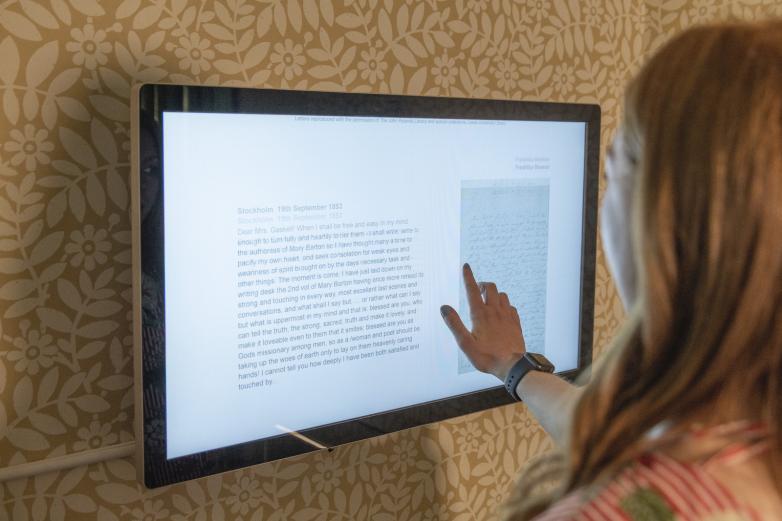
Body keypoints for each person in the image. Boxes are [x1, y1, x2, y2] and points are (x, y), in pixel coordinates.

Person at [440, 21, 782, 520]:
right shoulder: (746, 429)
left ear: (660, 217)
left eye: (613, 167)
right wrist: (514, 367)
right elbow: (616, 432)